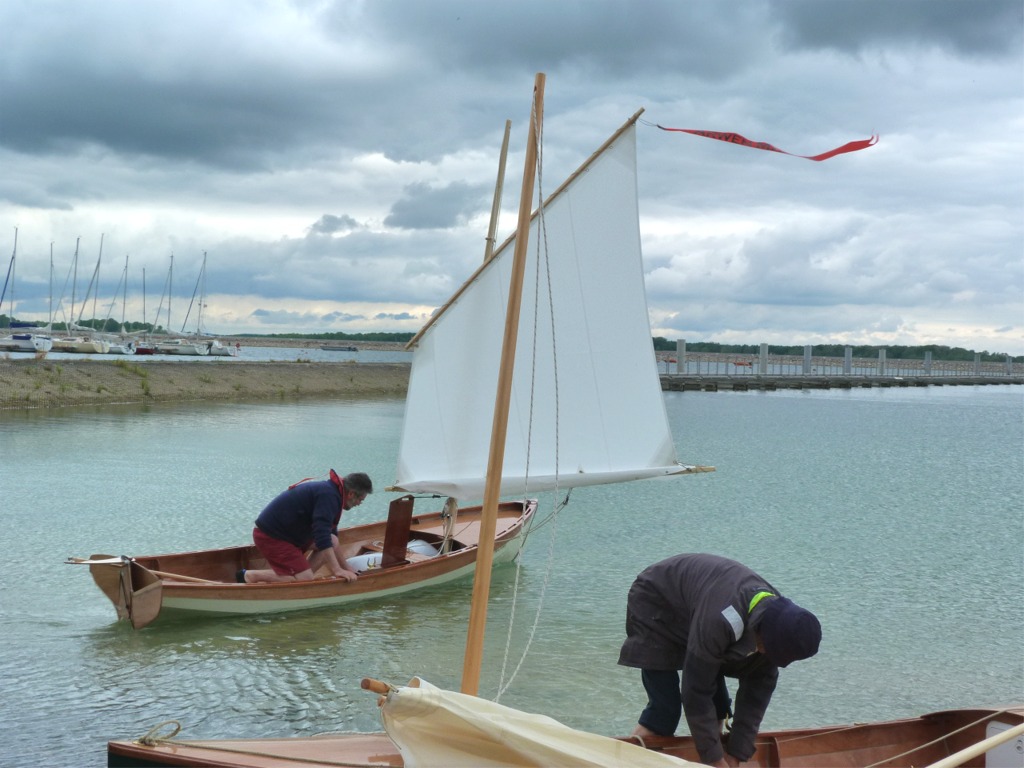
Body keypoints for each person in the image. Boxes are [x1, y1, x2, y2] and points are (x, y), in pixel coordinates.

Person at [618, 553, 821, 767]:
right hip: (656, 601)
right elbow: (696, 691)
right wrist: (715, 760)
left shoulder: (778, 624)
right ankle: (621, 763)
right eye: (766, 648)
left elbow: (757, 695)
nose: (764, 654)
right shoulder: (722, 620)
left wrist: (736, 754)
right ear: (763, 631)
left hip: (697, 611)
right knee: (664, 712)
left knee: (719, 708)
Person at [238, 470, 373, 584]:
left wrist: (347, 569)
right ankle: (250, 575)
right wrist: (337, 570)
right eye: (360, 499)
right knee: (305, 577)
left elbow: (329, 535)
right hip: (271, 537)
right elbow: (321, 536)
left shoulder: (333, 494)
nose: (359, 503)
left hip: (289, 536)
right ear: (351, 494)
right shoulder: (329, 496)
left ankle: (301, 576)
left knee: (333, 540)